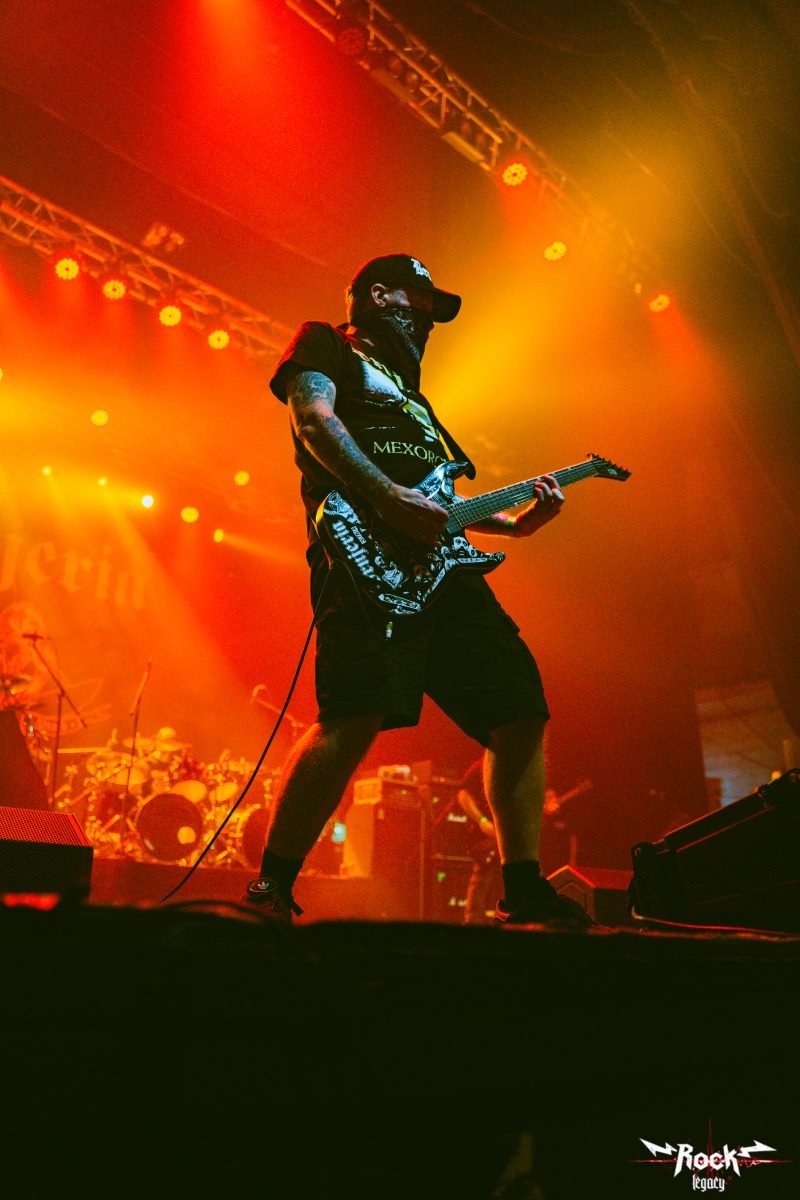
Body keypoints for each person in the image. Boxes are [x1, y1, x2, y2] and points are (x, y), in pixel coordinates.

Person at [244, 252, 593, 929]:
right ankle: (271, 886)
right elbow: (313, 421)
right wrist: (384, 495)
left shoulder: (418, 401)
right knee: (352, 717)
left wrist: (517, 525)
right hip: (362, 556)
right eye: (421, 303)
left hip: (444, 571)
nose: (429, 320)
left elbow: (441, 503)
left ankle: (523, 891)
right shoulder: (325, 344)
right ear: (379, 296)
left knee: (520, 710)